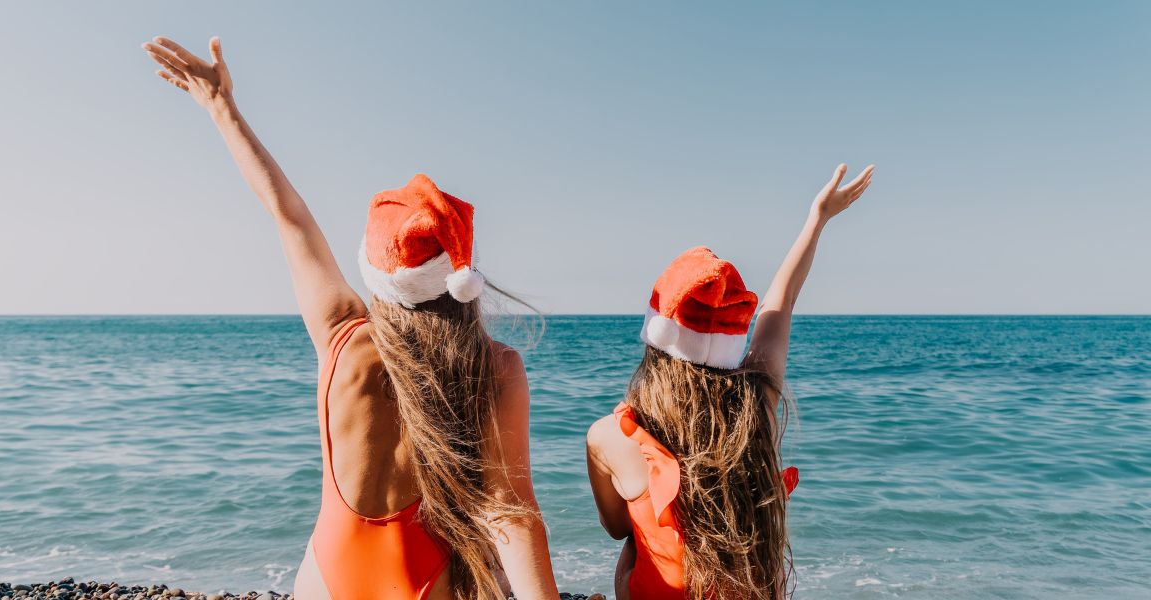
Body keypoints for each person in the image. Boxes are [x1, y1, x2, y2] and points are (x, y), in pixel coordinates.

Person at [142, 36, 560, 600]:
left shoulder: (343, 337)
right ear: (463, 276)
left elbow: (288, 217)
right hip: (429, 583)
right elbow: (511, 514)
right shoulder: (495, 368)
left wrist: (223, 108)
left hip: (329, 578)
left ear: (376, 271)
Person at [586, 164, 874, 599]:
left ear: (657, 338)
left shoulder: (611, 436)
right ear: (729, 341)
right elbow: (782, 303)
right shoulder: (753, 408)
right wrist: (818, 219)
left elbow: (615, 527)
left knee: (633, 551)